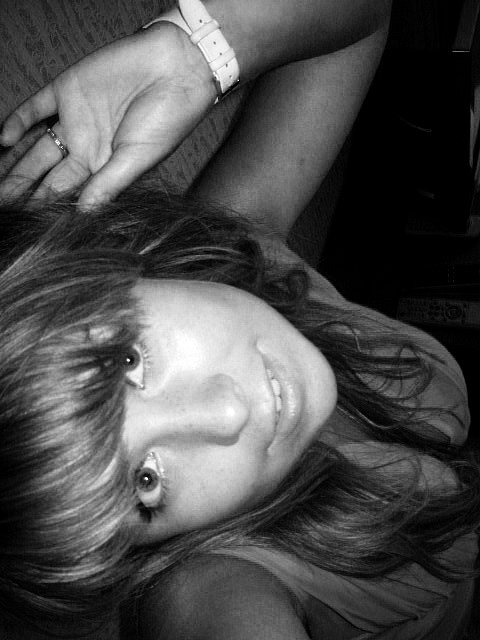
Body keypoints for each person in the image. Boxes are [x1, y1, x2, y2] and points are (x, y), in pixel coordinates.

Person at [0, 1, 479, 639]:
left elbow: (363, 24)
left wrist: (198, 49)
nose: (226, 414)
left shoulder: (226, 258)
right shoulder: (209, 590)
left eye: (129, 361)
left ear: (112, 268)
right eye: (146, 482)